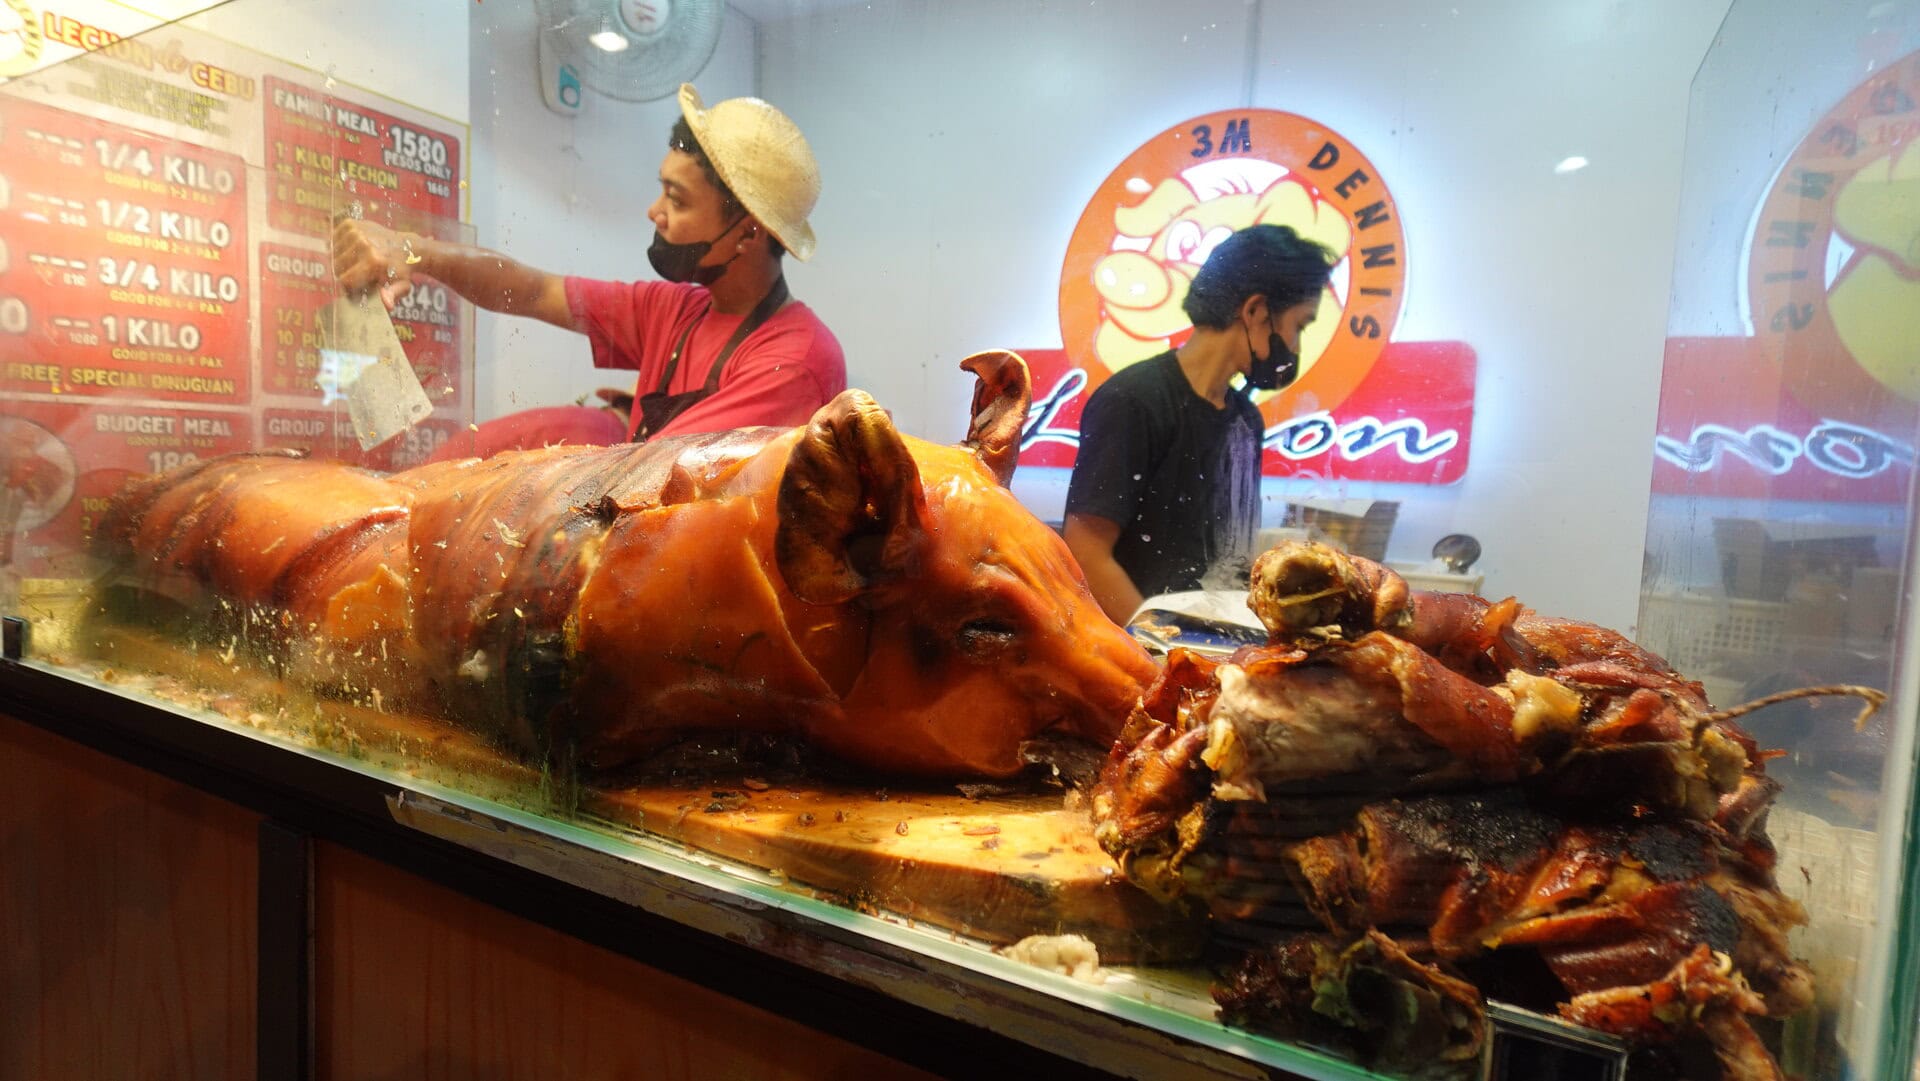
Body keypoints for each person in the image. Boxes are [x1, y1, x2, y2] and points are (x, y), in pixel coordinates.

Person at [332, 84, 845, 458]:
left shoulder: (793, 360)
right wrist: (413, 251)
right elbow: (532, 289)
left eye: (677, 199)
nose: (654, 212)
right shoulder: (677, 311)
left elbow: (653, 476)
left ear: (749, 232)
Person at [1063, 224, 1335, 625]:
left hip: (1214, 643)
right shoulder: (1134, 401)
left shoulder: (1246, 421)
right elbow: (1085, 552)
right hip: (1138, 648)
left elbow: (1232, 562)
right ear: (1256, 311)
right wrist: (1156, 645)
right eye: (1300, 325)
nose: (1294, 346)